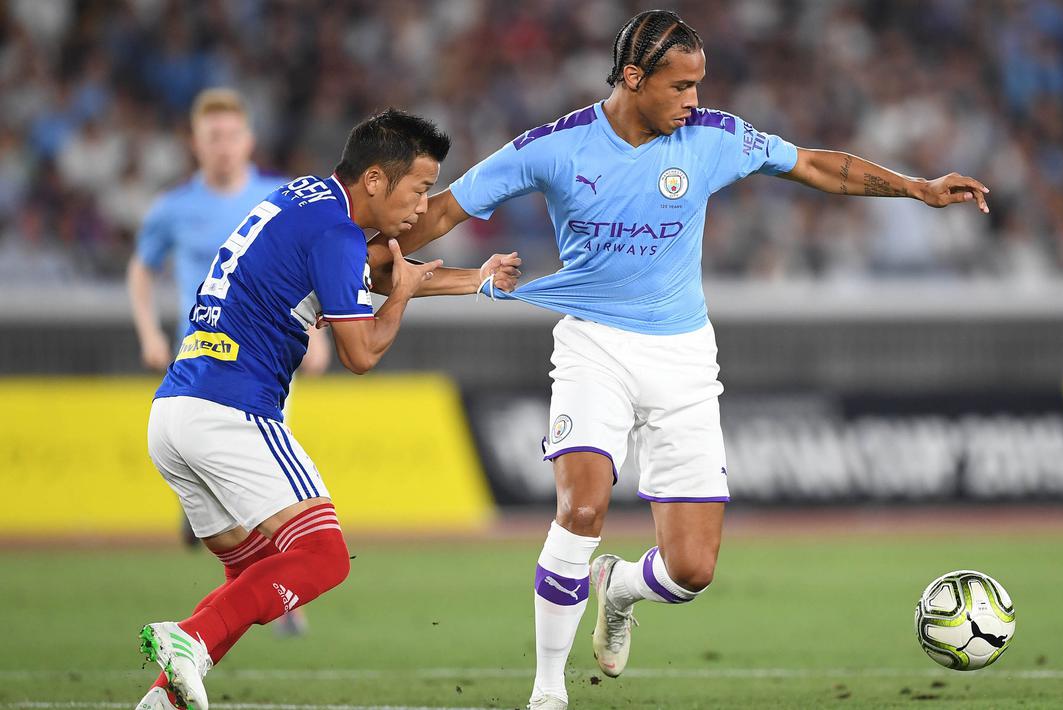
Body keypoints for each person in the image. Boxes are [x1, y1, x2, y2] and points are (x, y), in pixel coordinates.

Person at [369, 11, 989, 709]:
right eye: (681, 86)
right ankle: (547, 694)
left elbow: (814, 164)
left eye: (698, 85)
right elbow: (442, 212)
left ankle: (619, 587)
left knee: (692, 569)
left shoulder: (713, 138)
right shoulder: (554, 147)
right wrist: (349, 248)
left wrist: (916, 187)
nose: (694, 100)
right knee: (582, 508)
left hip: (683, 358)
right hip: (594, 347)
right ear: (634, 78)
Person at [134, 108, 520, 710]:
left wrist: (477, 280)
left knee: (257, 575)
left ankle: (164, 698)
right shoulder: (337, 232)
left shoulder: (306, 199)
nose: (422, 208)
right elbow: (361, 353)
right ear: (375, 179)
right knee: (324, 557)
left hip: (173, 414)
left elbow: (373, 273)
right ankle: (189, 638)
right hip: (233, 410)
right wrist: (403, 301)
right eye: (419, 189)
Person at [126, 89, 330, 558]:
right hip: (201, 350)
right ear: (195, 144)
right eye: (213, 136)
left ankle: (245, 539)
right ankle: (254, 545)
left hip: (268, 349)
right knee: (237, 461)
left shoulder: (280, 197)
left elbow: (311, 268)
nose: (223, 146)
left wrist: (318, 337)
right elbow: (141, 269)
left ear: (249, 140)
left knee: (263, 459)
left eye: (232, 135)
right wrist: (149, 333)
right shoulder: (173, 208)